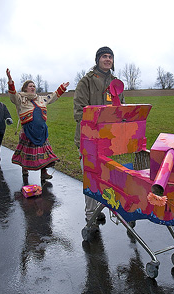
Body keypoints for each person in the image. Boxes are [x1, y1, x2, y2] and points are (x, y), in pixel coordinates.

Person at [73, 46, 125, 223]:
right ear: (97, 59)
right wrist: (95, 124)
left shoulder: (116, 82)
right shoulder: (86, 81)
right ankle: (90, 216)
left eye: (110, 56)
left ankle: (100, 208)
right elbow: (78, 112)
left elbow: (120, 109)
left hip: (109, 141)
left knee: (107, 177)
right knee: (91, 177)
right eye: (104, 56)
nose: (108, 59)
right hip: (89, 140)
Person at [6, 68, 69, 180]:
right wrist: (10, 81)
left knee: (43, 153)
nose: (33, 87)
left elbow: (52, 97)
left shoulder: (41, 99)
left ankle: (43, 172)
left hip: (41, 130)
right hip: (27, 131)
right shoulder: (20, 98)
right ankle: (24, 170)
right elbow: (12, 95)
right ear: (25, 88)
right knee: (26, 152)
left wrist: (62, 88)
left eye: (34, 86)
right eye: (30, 86)